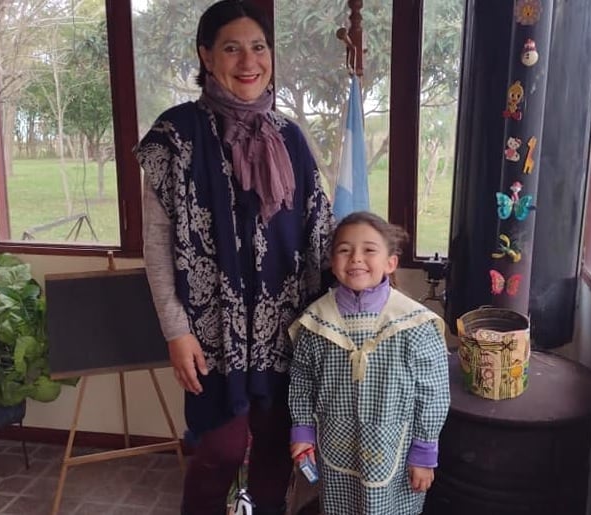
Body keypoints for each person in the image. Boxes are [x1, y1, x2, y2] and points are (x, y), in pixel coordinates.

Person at [134, 1, 335, 514]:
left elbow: (319, 231)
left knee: (274, 449)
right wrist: (175, 331)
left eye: (259, 47)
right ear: (205, 55)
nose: (249, 61)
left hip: (285, 331)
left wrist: (366, 281)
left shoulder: (289, 136)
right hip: (210, 333)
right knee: (217, 451)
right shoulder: (174, 137)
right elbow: (156, 246)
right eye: (231, 48)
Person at [288, 211, 450, 515]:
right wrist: (303, 431)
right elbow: (302, 382)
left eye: (369, 250)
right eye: (344, 250)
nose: (356, 259)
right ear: (332, 262)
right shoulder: (316, 322)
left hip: (396, 451)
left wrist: (425, 453)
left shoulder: (414, 323)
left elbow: (434, 393)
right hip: (335, 448)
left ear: (391, 262)